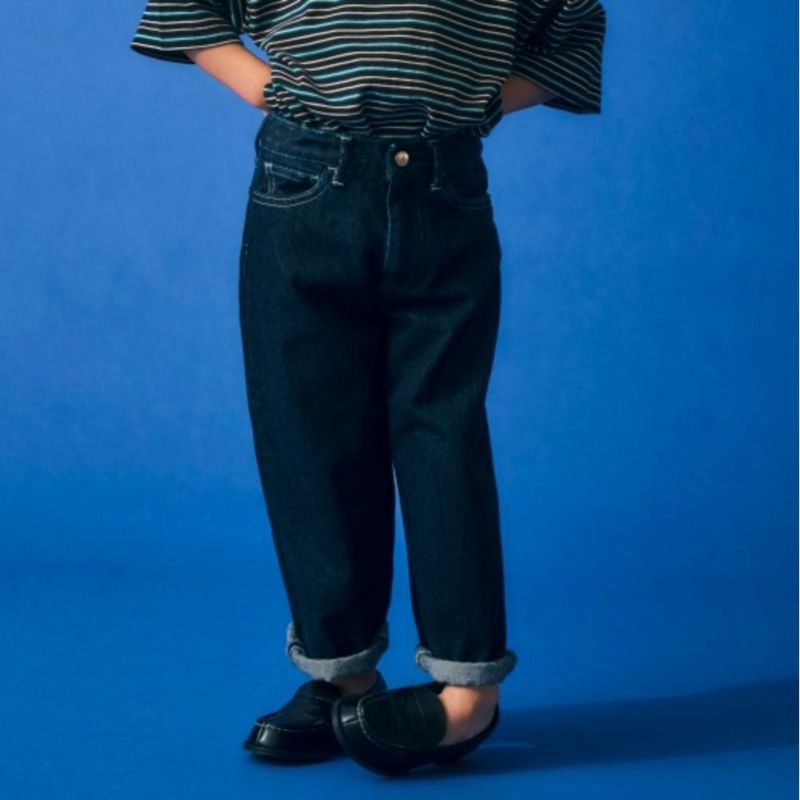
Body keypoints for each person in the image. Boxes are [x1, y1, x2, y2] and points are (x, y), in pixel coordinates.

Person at [129, 0, 607, 775]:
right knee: (309, 433)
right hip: (303, 177)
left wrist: (484, 101)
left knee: (442, 433)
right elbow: (188, 8)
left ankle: (468, 685)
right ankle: (341, 671)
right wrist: (266, 88)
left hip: (445, 187)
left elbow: (573, 27)